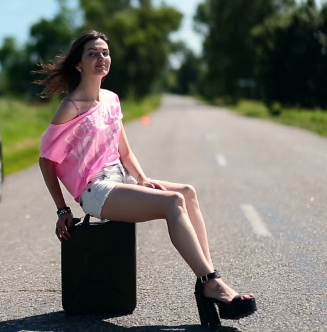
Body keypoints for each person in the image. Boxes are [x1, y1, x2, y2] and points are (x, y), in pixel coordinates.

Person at [33, 30, 257, 326]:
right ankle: (211, 283)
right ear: (78, 64)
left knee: (187, 192)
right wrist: (62, 209)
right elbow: (46, 159)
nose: (101, 58)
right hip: (95, 190)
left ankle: (208, 281)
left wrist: (142, 178)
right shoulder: (71, 107)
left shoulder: (111, 100)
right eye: (92, 54)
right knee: (173, 202)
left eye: (104, 53)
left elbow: (124, 150)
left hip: (120, 181)